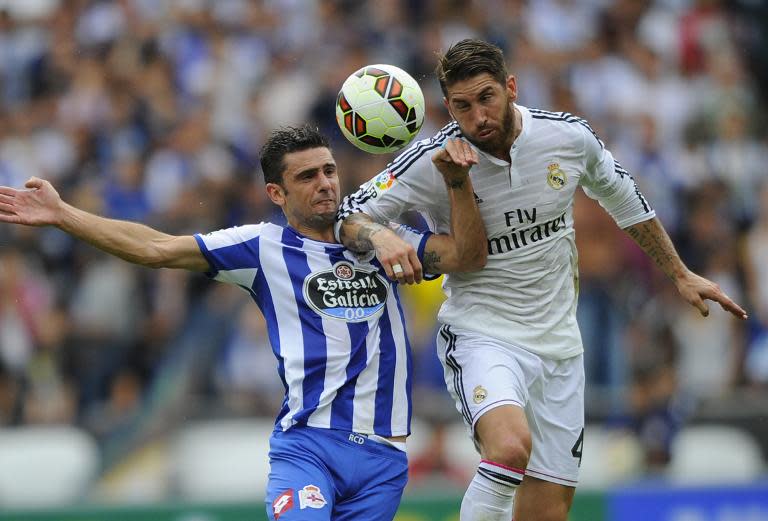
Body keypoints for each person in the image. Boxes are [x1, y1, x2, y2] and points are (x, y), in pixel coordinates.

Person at [335, 39, 748, 521]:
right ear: (448, 107)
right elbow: (349, 214)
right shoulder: (434, 161)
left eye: (487, 97)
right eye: (463, 106)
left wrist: (679, 273)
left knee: (547, 513)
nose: (478, 117)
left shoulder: (567, 138)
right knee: (509, 448)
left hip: (559, 347)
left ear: (511, 87)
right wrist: (379, 237)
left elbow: (625, 199)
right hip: (481, 333)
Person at [0, 125, 487, 521]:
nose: (325, 183)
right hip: (308, 447)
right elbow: (155, 248)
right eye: (307, 177)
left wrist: (460, 183)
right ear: (276, 192)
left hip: (383, 457)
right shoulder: (260, 247)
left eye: (329, 171)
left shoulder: (384, 239)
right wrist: (64, 215)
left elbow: (467, 256)